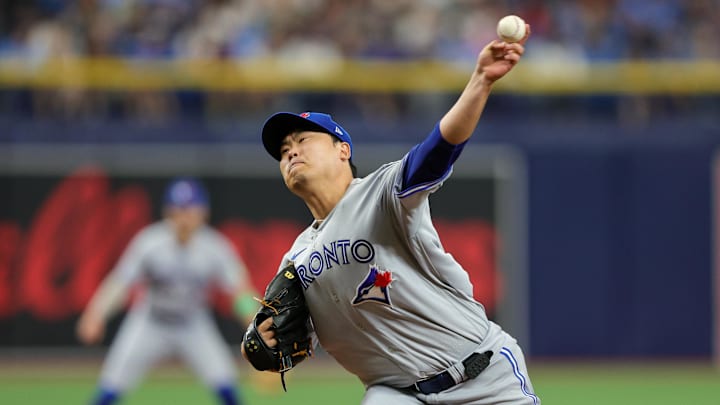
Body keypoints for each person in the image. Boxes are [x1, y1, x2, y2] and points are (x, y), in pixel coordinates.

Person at [243, 24, 539, 405]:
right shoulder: (296, 259)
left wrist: (480, 81)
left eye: (303, 141)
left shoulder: (379, 194)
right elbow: (283, 335)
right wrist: (256, 340)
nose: (290, 153)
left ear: (342, 151)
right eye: (283, 150)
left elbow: (437, 151)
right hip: (396, 394)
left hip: (482, 378)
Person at [77, 177, 258, 405]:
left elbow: (240, 292)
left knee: (226, 385)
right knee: (110, 387)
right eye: (178, 210)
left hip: (193, 324)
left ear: (204, 212)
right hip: (150, 322)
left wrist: (255, 326)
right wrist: (96, 313)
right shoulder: (149, 243)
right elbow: (121, 283)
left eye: (190, 210)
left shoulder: (215, 247)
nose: (184, 218)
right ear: (167, 212)